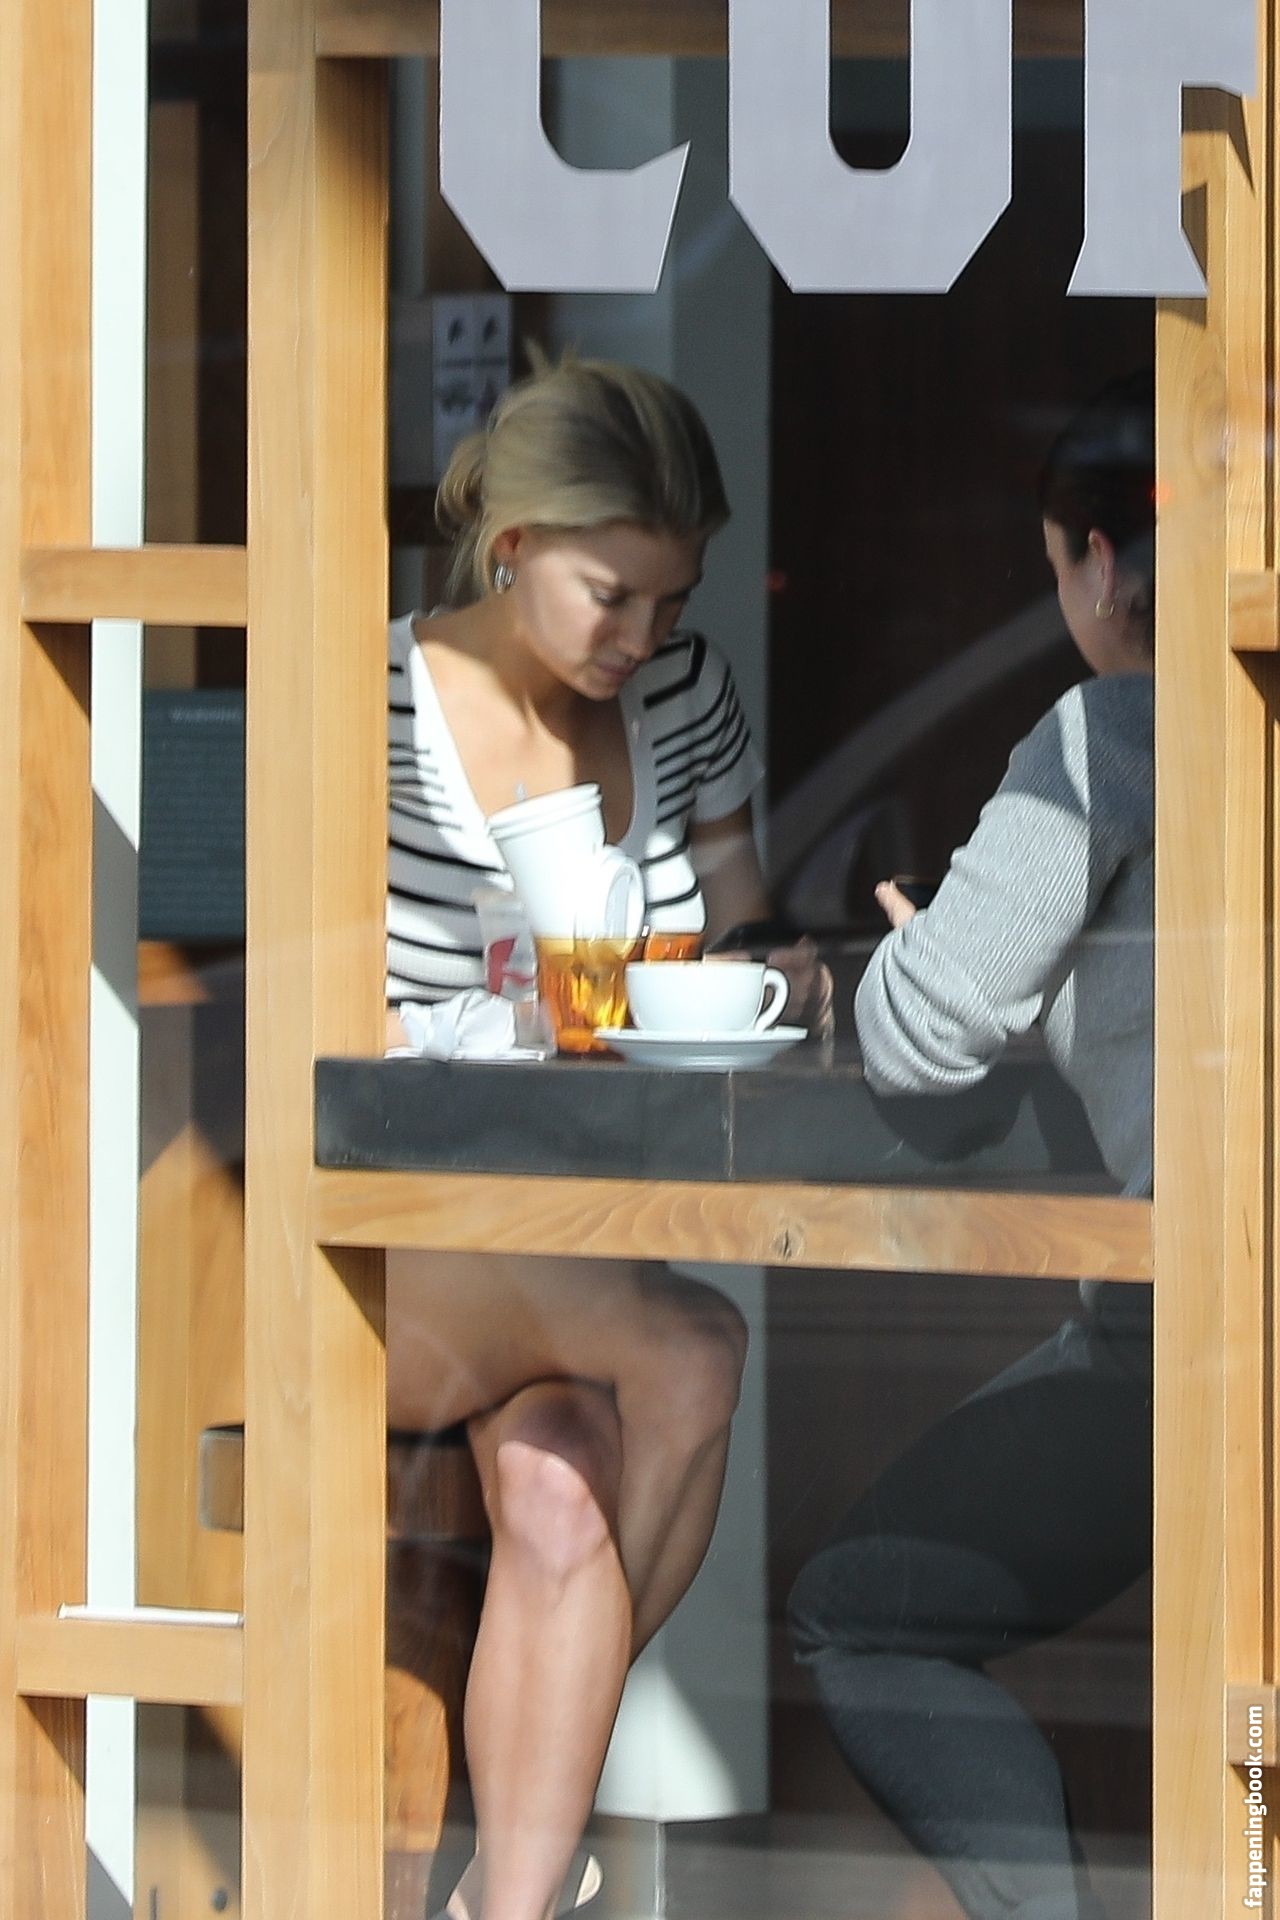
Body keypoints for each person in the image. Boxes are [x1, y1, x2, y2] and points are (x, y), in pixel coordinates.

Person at [386, 355, 817, 1920]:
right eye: (610, 595)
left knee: (565, 1488)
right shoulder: (379, 704)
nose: (642, 638)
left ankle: (508, 1895)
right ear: (513, 548)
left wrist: (772, 973)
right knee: (693, 1352)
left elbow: (745, 912)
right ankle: (551, 1795)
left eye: (672, 599)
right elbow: (302, 999)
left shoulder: (683, 694)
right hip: (398, 1238)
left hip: (584, 1231)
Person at [787, 372, 1155, 1920]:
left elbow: (922, 1031)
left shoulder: (1114, 732)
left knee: (864, 1613)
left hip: (1197, 1334)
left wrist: (937, 947)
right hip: (1201, 1323)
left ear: (1094, 561)